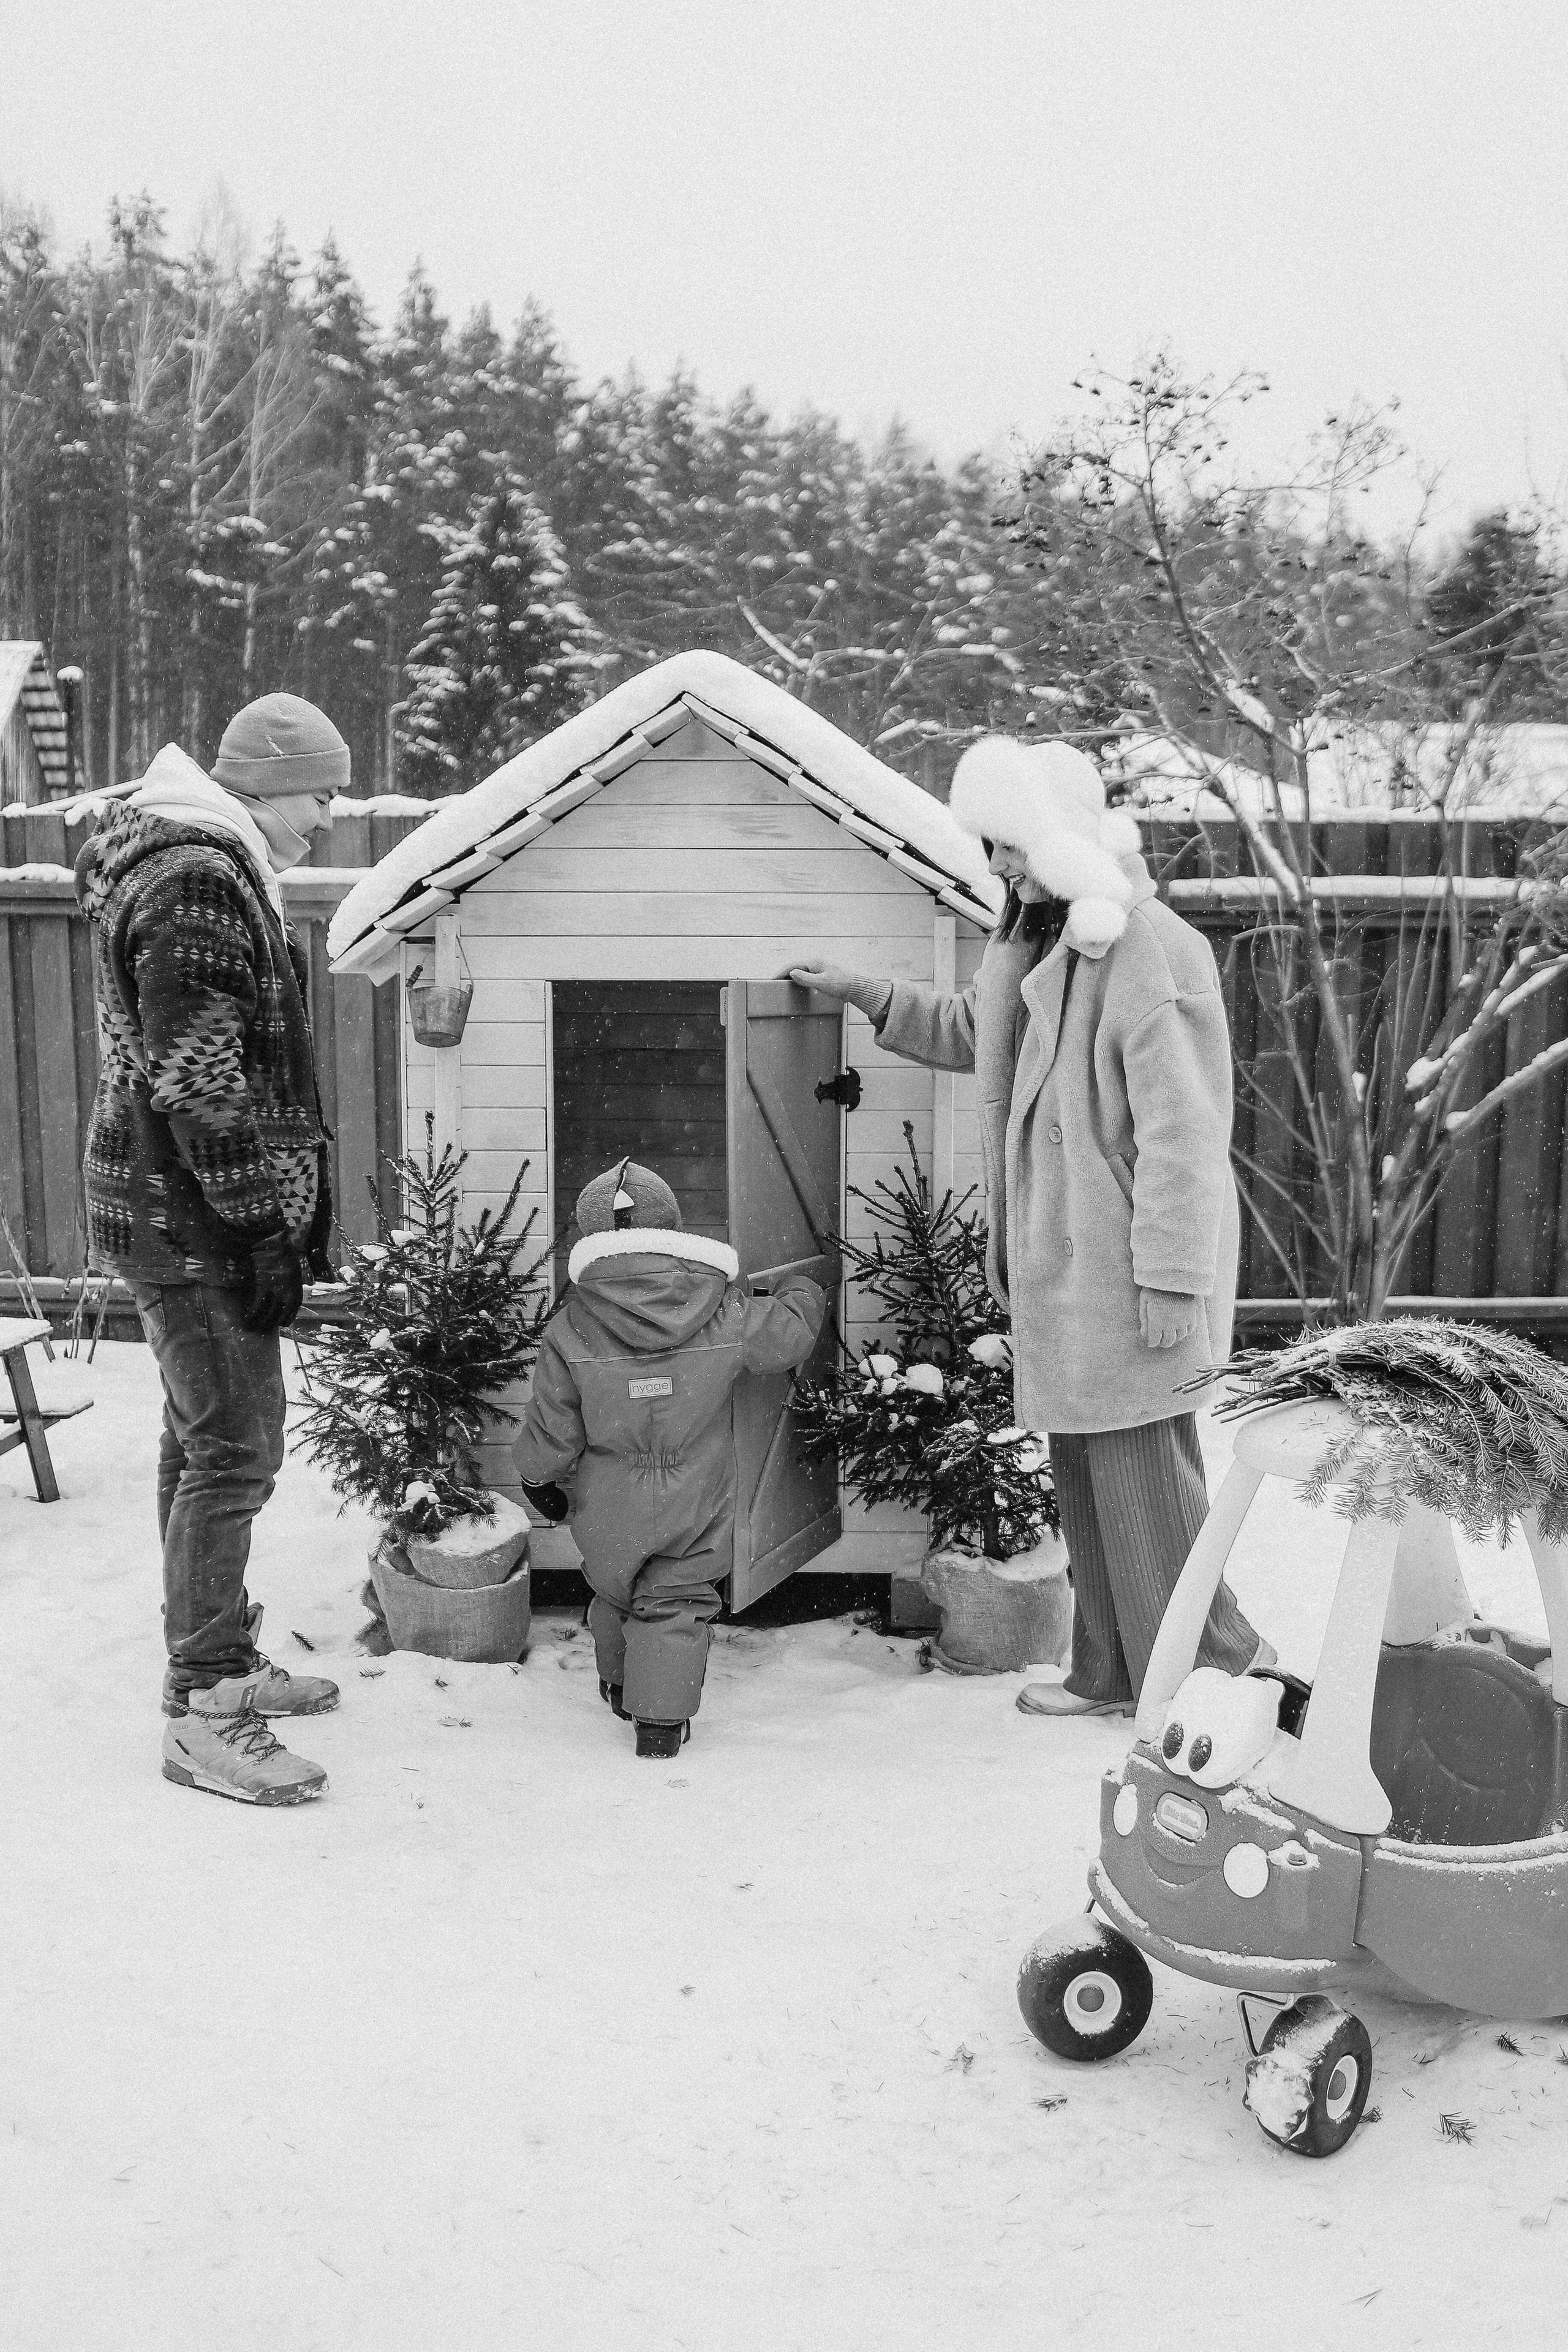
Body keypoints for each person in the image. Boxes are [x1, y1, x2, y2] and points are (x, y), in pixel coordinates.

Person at [788, 735, 1264, 1717]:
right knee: (1089, 1479)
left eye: (1005, 844)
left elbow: (1185, 1132)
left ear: (1051, 839)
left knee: (1147, 1487)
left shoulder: (1151, 948)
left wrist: (1173, 1278)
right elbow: (975, 1034)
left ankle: (1215, 1681)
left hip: (1130, 1265)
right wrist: (869, 993)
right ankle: (1111, 1672)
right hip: (1067, 1263)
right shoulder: (1033, 945)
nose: (994, 866)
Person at [75, 693, 348, 1804]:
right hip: (187, 1217)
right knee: (236, 1449)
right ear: (264, 781)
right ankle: (206, 1701)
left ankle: (216, 1656)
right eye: (322, 793)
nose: (331, 817)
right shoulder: (195, 880)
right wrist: (257, 1232)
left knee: (202, 1443)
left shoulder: (205, 860)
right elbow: (198, 1080)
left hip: (167, 1208)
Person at [514, 1159, 827, 1757]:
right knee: (676, 1598)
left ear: (589, 1238)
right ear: (672, 1226)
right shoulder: (721, 1308)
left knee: (615, 1588)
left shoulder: (571, 1325)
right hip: (696, 1488)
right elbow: (788, 1335)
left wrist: (537, 1477)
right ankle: (659, 1723)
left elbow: (551, 1421)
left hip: (606, 1493)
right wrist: (801, 1288)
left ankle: (617, 1683)